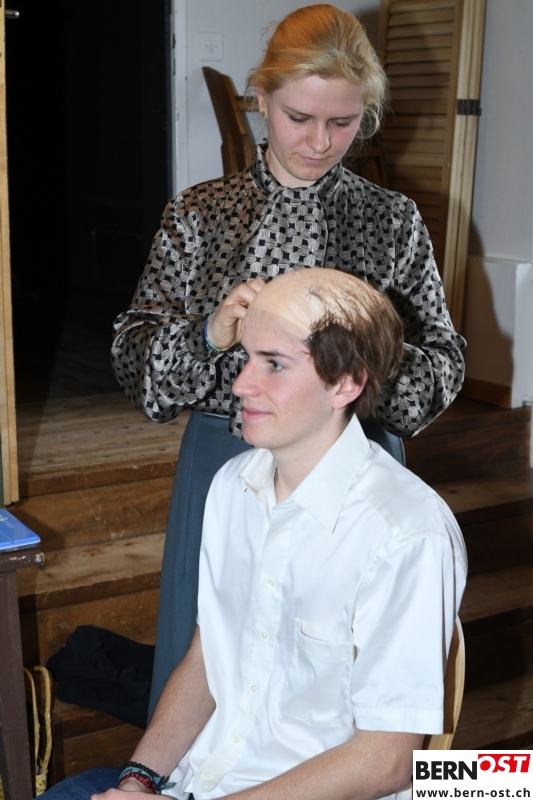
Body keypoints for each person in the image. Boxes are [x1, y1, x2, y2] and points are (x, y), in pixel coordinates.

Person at [110, 4, 466, 714]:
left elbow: (444, 364)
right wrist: (209, 334)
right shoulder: (200, 215)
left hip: (358, 462)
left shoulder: (392, 220)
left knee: (343, 683)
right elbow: (136, 366)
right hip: (227, 457)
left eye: (343, 122)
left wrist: (361, 354)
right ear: (261, 98)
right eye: (299, 117)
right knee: (212, 665)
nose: (319, 142)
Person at [40, 269, 467, 800]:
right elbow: (207, 659)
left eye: (274, 364)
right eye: (246, 358)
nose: (240, 384)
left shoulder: (407, 533)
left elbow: (386, 763)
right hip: (198, 783)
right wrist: (137, 780)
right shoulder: (232, 486)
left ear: (346, 383)